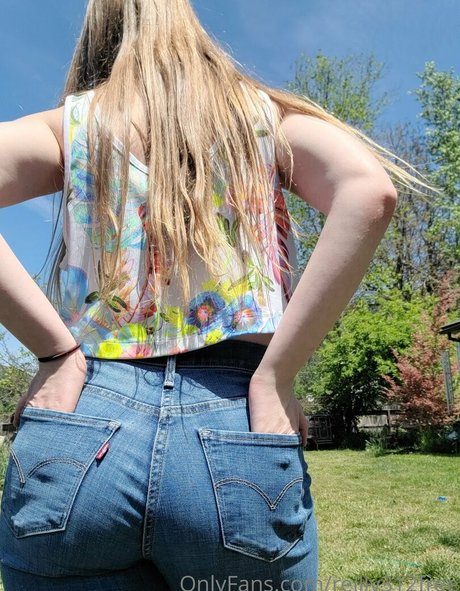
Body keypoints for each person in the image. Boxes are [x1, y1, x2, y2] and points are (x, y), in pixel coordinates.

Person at [0, 1, 428, 589]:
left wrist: (54, 353)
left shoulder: (73, 124)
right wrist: (277, 375)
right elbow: (369, 190)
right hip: (238, 417)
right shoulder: (265, 119)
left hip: (84, 419)